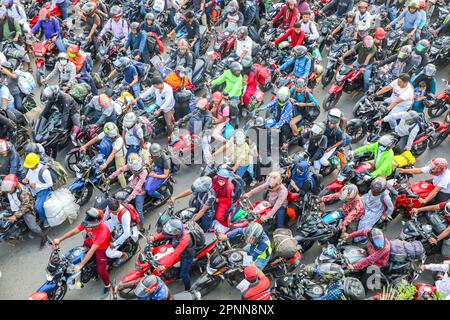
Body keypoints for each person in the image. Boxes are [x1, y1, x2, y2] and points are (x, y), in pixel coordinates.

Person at [53, 209, 112, 297]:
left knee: (101, 270)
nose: (87, 228)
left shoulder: (103, 232)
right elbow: (75, 231)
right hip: (90, 242)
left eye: (89, 227)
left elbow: (92, 250)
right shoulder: (88, 222)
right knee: (77, 254)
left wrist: (80, 265)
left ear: (97, 222)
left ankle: (108, 285)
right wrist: (60, 239)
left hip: (100, 248)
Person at [147, 218, 197, 290]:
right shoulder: (177, 230)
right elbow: (165, 234)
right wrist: (154, 237)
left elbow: (175, 254)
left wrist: (164, 266)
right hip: (177, 248)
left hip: (187, 255)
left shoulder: (185, 238)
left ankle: (188, 290)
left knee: (184, 274)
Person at [1, 174, 48, 248]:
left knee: (33, 227)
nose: (7, 190)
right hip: (15, 205)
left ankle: (43, 236)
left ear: (15, 185)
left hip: (26, 208)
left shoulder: (23, 192)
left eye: (9, 189)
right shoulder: (9, 188)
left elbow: (26, 206)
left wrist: (15, 215)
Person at [107, 154, 148, 232]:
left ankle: (142, 227)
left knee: (139, 210)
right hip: (132, 184)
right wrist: (110, 177)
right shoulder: (130, 165)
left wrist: (128, 199)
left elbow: (137, 188)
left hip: (140, 191)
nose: (136, 170)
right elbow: (120, 170)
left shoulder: (144, 172)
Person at [80, 122, 127, 188]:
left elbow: (113, 154)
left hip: (118, 155)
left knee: (119, 173)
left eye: (114, 134)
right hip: (106, 151)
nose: (113, 136)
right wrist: (85, 146)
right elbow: (95, 139)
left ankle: (124, 188)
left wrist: (105, 164)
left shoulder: (119, 140)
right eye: (111, 134)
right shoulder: (104, 133)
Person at [134, 77, 175, 142]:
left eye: (154, 85)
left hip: (168, 108)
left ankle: (171, 135)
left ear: (158, 84)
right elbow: (147, 92)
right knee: (146, 112)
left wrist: (159, 110)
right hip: (157, 104)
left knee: (169, 124)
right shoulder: (155, 87)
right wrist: (137, 98)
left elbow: (167, 102)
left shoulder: (168, 89)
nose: (153, 87)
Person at [103, 197, 139, 262]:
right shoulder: (109, 207)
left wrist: (114, 244)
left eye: (117, 211)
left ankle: (124, 255)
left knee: (109, 253)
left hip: (122, 230)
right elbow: (105, 217)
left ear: (119, 205)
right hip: (113, 225)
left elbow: (126, 233)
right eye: (114, 212)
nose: (116, 213)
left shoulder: (125, 215)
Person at [357, 176, 394, 241]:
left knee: (363, 224)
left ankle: (362, 239)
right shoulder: (372, 188)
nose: (374, 192)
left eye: (376, 192)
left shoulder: (385, 197)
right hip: (366, 201)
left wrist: (386, 215)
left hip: (374, 211)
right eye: (373, 190)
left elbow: (391, 207)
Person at [22, 153, 53, 227]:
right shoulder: (32, 168)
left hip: (44, 190)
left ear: (36, 164)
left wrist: (37, 186)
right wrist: (26, 178)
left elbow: (50, 184)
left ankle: (45, 219)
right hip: (34, 189)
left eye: (31, 166)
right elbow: (29, 173)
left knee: (38, 207)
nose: (30, 168)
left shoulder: (45, 172)